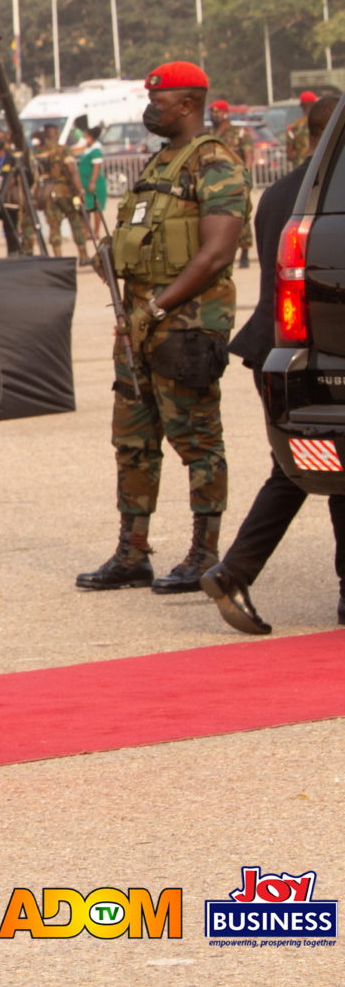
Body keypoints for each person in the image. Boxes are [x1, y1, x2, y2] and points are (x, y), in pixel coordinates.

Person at [78, 61, 246, 593]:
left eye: (159, 102)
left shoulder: (215, 162)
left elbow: (217, 253)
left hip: (186, 327)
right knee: (132, 441)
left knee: (196, 441)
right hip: (139, 327)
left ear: (188, 105)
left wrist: (156, 309)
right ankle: (133, 552)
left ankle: (204, 554)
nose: (149, 110)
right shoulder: (158, 165)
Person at [203, 94, 345, 633]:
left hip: (276, 350)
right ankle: (235, 569)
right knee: (301, 468)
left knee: (323, 467)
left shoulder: (282, 192)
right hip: (307, 347)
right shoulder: (320, 197)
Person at [33, 123, 90, 266]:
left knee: (54, 226)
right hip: (65, 191)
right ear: (57, 133)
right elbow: (72, 171)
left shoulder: (38, 152)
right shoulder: (63, 150)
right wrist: (80, 190)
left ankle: (58, 259)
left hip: (47, 193)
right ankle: (83, 256)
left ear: (45, 135)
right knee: (75, 222)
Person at [209, 100, 257, 269]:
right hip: (214, 183)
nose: (213, 116)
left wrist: (246, 178)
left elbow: (248, 156)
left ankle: (244, 253)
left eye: (216, 112)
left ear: (225, 113)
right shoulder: (209, 134)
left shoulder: (239, 132)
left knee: (241, 216)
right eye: (211, 112)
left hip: (236, 181)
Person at [72, 121, 108, 239]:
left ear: (91, 138)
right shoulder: (87, 149)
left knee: (97, 209)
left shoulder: (96, 150)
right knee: (87, 208)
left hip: (95, 184)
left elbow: (96, 168)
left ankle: (96, 232)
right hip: (85, 185)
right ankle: (87, 232)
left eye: (86, 137)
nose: (84, 139)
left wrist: (92, 182)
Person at [285, 90, 317, 164]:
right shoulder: (322, 123)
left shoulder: (293, 127)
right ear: (315, 104)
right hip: (319, 166)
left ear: (301, 105)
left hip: (301, 166)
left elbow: (289, 154)